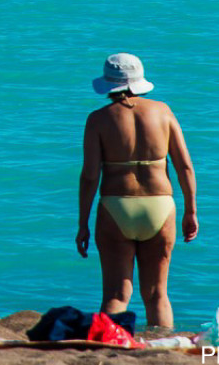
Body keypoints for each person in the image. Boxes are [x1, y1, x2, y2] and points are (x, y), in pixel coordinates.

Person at [75, 52, 198, 330]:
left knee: (117, 295)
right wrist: (191, 211)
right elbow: (185, 168)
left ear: (108, 84)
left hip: (116, 207)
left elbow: (90, 176)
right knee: (157, 296)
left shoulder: (97, 120)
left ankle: (110, 346)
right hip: (160, 207)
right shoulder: (163, 111)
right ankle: (162, 348)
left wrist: (83, 224)